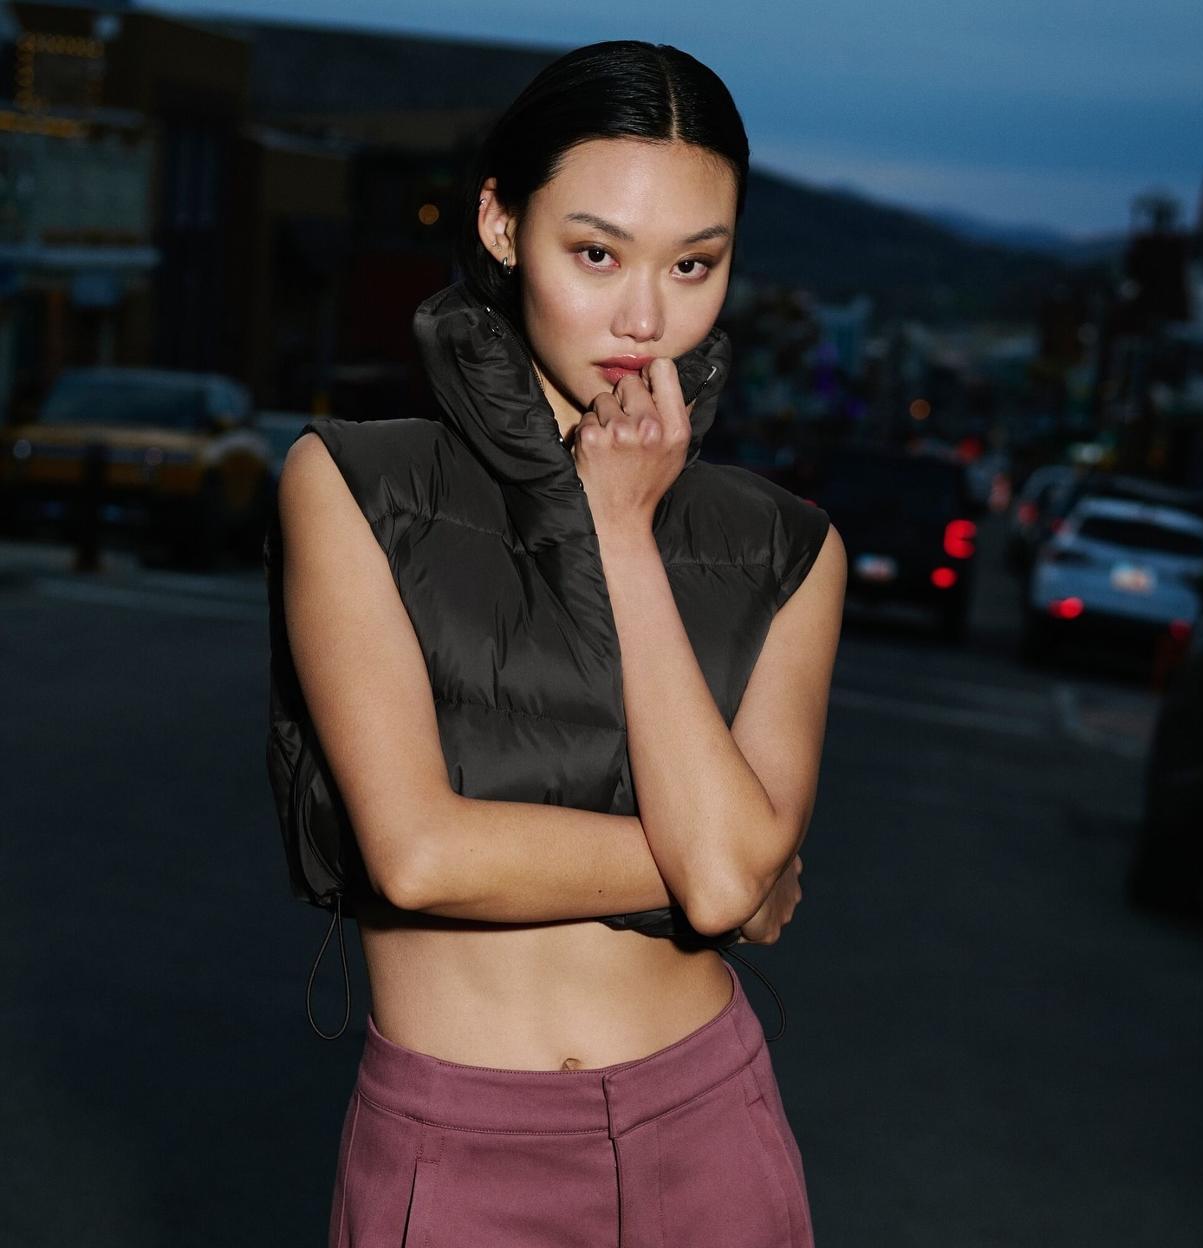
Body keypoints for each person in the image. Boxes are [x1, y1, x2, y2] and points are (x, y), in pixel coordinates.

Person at [275, 38, 846, 1248]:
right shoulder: (353, 483)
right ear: (500, 222)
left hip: (709, 1127)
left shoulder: (787, 546)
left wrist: (627, 535)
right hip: (454, 1148)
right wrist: (718, 866)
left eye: (696, 264)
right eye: (597, 253)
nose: (646, 317)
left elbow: (738, 871)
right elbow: (420, 854)